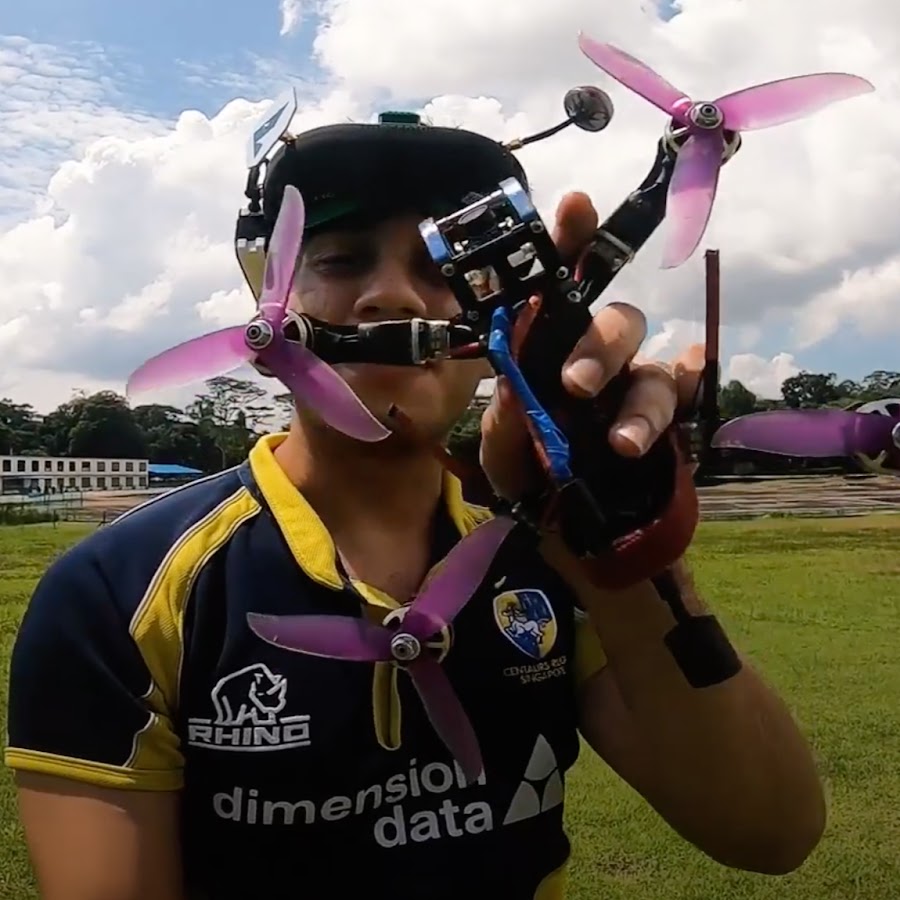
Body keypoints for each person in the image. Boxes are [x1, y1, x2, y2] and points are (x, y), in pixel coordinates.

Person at [4, 111, 826, 900]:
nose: (393, 295)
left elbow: (769, 831)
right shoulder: (114, 594)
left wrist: (616, 537)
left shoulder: (547, 557)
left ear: (509, 325)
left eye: (441, 271)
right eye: (341, 260)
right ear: (268, 319)